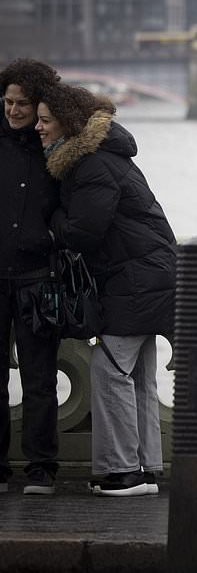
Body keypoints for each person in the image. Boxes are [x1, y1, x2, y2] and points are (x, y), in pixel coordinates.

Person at [36, 83, 177, 497]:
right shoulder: (107, 156)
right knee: (139, 377)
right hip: (151, 273)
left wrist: (55, 216)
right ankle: (147, 469)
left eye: (46, 121)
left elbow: (83, 232)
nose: (39, 128)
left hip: (134, 279)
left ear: (69, 123)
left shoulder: (92, 164)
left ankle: (122, 473)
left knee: (110, 369)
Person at [0, 59, 63, 495]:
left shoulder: (55, 148)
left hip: (38, 277)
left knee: (40, 379)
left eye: (24, 103)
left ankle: (42, 467)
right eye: (8, 101)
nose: (15, 110)